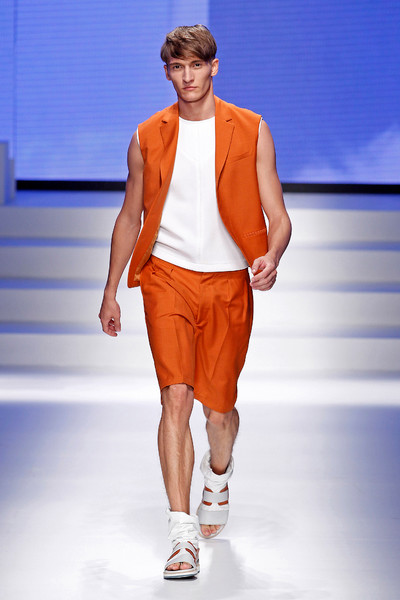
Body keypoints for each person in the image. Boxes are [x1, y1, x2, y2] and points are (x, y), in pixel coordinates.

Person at [99, 24, 291, 579]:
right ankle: (181, 533)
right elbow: (130, 215)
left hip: (229, 281)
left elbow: (278, 216)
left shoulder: (251, 129)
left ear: (213, 67)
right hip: (168, 276)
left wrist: (271, 255)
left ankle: (219, 471)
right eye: (177, 67)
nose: (187, 77)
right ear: (167, 72)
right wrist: (111, 288)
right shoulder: (147, 135)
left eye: (196, 66)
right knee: (175, 396)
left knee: (219, 409)